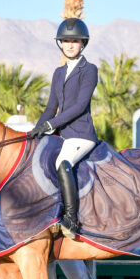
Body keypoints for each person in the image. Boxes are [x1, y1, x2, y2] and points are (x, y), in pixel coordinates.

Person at [29, 18, 99, 238]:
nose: (70, 45)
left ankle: (71, 219)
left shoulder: (90, 70)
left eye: (75, 41)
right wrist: (36, 130)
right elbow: (51, 107)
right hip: (63, 135)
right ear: (60, 43)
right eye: (66, 40)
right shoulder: (58, 72)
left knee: (62, 162)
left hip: (81, 134)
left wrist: (51, 125)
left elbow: (79, 106)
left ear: (82, 43)